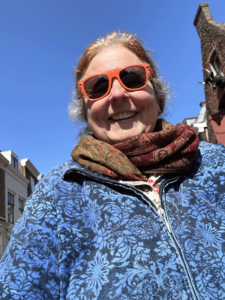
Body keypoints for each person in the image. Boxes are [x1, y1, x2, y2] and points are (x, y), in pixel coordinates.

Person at [0, 31, 225, 300]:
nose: (117, 94)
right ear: (86, 108)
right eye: (98, 86)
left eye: (132, 78)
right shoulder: (58, 191)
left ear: (156, 91)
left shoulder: (215, 163)